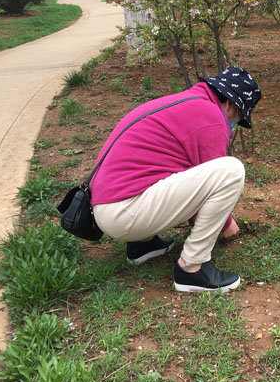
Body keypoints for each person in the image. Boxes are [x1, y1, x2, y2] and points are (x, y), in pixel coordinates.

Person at [91, 66, 262, 293]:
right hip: (124, 212)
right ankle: (192, 268)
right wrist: (227, 224)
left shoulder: (188, 102)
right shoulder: (211, 118)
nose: (234, 124)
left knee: (168, 165)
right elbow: (211, 186)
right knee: (231, 171)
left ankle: (142, 245)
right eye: (238, 117)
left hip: (107, 206)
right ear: (230, 103)